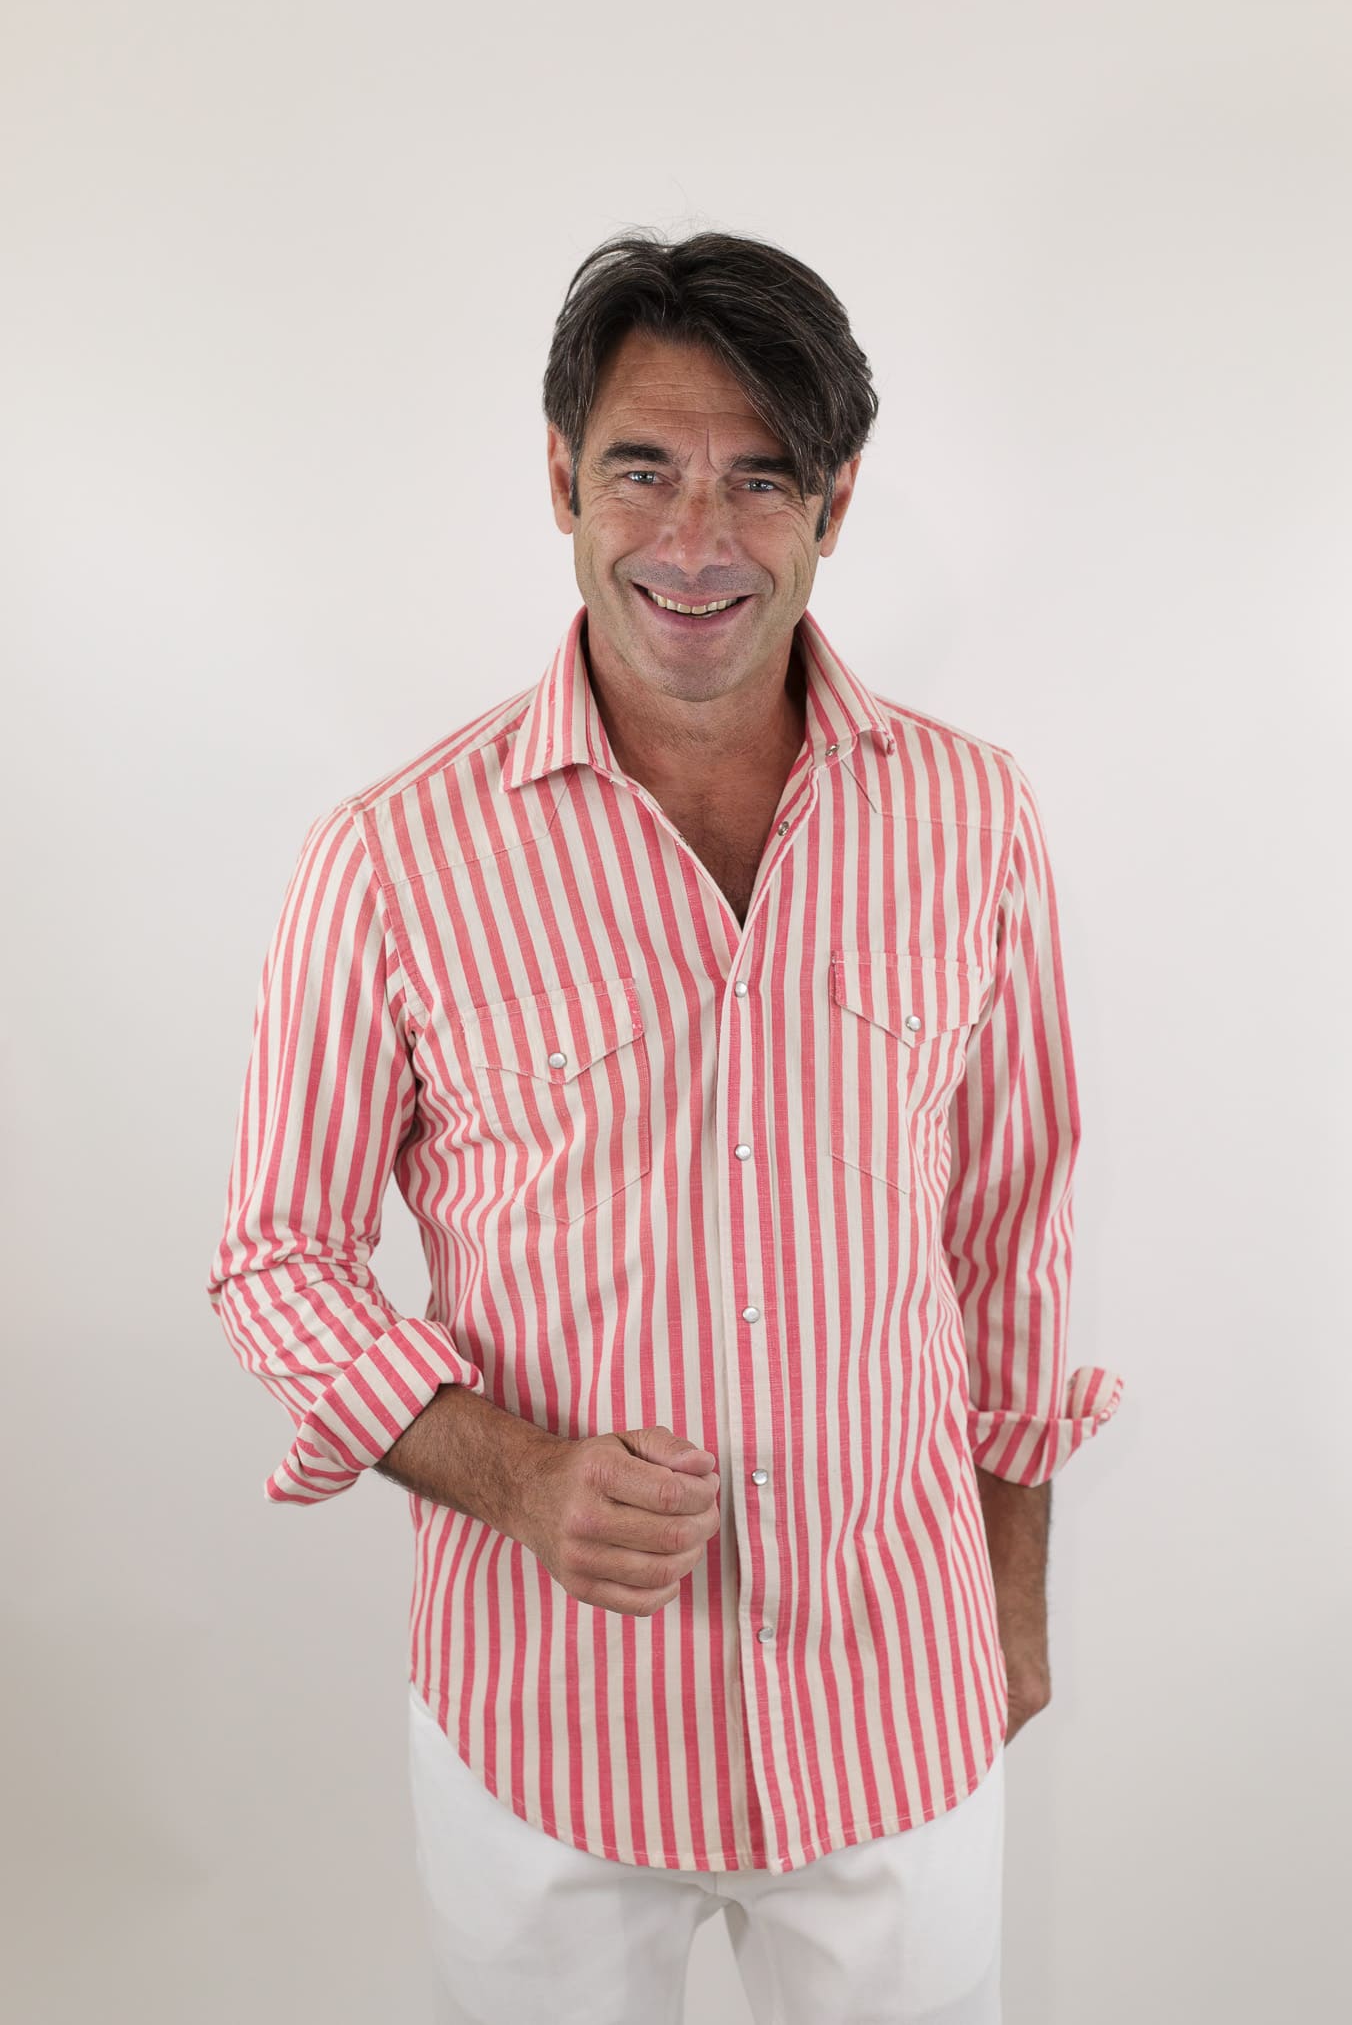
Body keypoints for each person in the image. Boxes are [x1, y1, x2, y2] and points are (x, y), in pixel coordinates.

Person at [207, 227, 1125, 2025]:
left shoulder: (975, 819)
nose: (696, 540)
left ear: (835, 503)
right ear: (560, 479)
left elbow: (1013, 1227)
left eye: (758, 479)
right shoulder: (389, 859)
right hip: (544, 1735)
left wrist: (1013, 1599)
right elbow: (276, 1258)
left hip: (894, 1711)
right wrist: (517, 1474)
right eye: (643, 469)